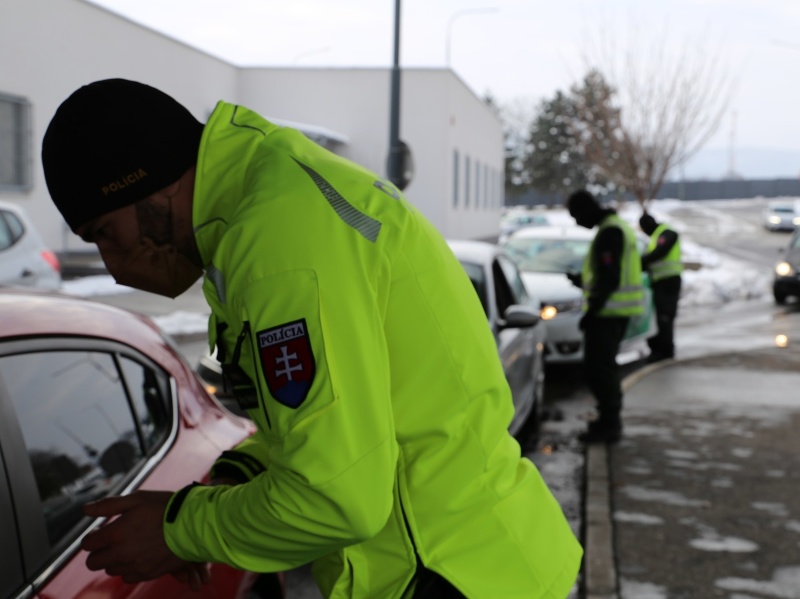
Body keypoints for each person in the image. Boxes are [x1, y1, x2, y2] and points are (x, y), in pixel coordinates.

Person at [41, 79, 582, 598]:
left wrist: (179, 531)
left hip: (446, 576)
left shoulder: (277, 240)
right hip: (477, 563)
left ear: (149, 185)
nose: (112, 268)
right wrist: (222, 488)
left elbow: (337, 498)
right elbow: (316, 427)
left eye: (106, 234)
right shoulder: (266, 200)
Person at [566, 190, 644, 444]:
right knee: (602, 369)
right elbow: (608, 274)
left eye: (576, 216)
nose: (577, 222)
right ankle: (607, 421)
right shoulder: (613, 227)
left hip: (609, 315)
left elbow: (610, 278)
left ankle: (609, 426)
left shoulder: (610, 232)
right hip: (612, 313)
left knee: (600, 371)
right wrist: (583, 281)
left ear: (587, 209)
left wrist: (593, 311)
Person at [638, 211, 683, 363]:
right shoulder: (656, 237)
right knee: (660, 317)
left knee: (665, 317)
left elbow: (659, 253)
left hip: (669, 282)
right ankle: (660, 350)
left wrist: (640, 261)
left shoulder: (666, 233)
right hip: (660, 282)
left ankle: (666, 352)